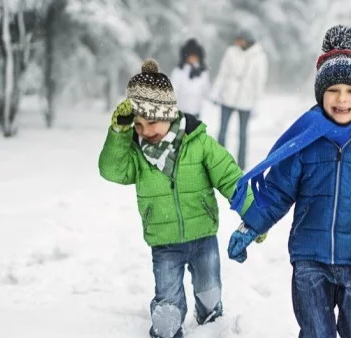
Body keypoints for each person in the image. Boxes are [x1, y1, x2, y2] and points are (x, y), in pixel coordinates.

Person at [226, 25, 351, 338]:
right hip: (310, 259)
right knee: (314, 332)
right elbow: (277, 191)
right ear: (321, 93)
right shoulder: (307, 140)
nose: (342, 99)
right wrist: (251, 225)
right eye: (333, 90)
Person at [98, 58, 256, 338]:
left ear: (169, 113)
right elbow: (112, 170)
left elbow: (230, 178)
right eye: (137, 125)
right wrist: (119, 134)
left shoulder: (199, 143)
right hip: (164, 242)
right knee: (167, 305)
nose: (146, 131)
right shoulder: (135, 153)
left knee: (209, 291)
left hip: (203, 236)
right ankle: (167, 328)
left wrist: (256, 215)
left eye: (152, 121)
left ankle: (211, 325)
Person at [211, 27, 268, 170]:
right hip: (228, 96)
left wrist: (257, 103)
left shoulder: (259, 56)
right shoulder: (231, 52)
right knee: (222, 130)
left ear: (247, 40)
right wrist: (216, 91)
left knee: (242, 134)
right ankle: (219, 161)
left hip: (246, 99)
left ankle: (241, 165)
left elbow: (260, 81)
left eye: (240, 39)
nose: (237, 42)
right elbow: (223, 72)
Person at [170, 38, 211, 119]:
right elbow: (173, 88)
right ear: (186, 56)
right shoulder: (179, 71)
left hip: (196, 109)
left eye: (195, 56)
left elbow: (206, 89)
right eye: (190, 56)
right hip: (181, 109)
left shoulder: (203, 72)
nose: (192, 59)